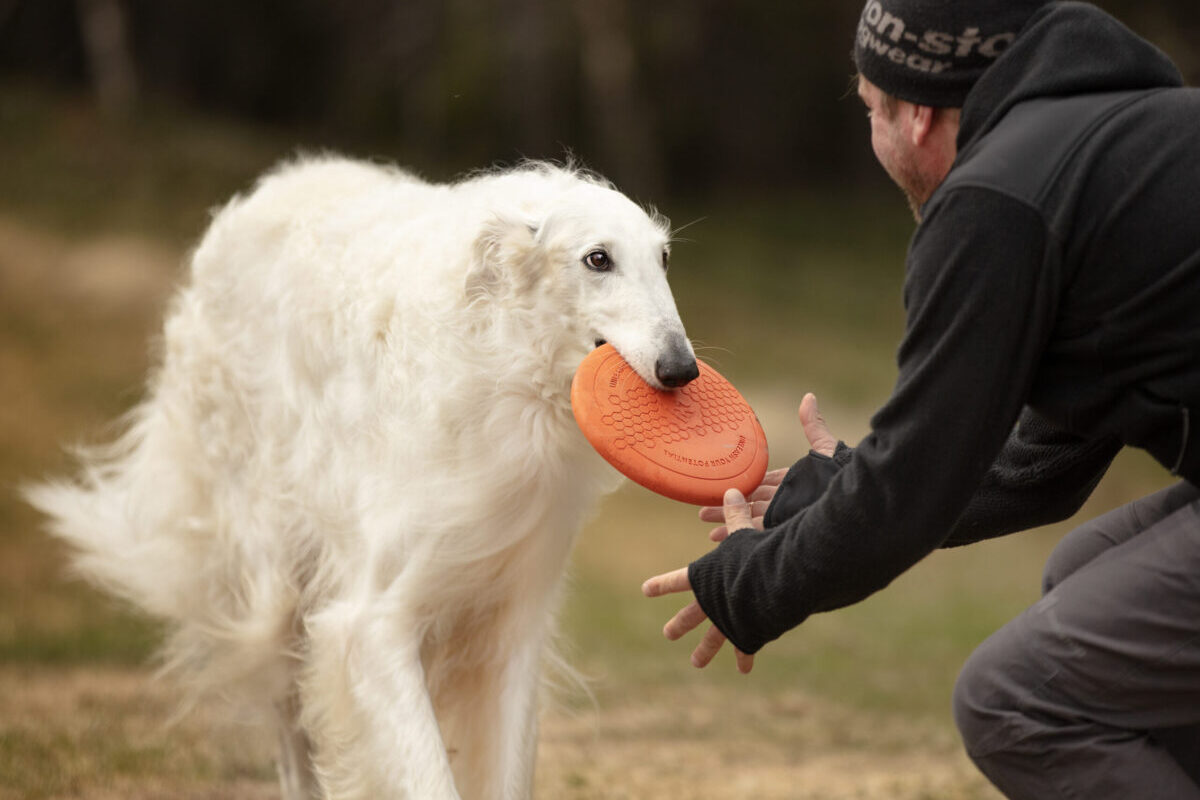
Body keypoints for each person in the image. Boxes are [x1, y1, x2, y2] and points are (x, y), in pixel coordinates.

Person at [641, 1, 1200, 797]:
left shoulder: (997, 201)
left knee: (1014, 700)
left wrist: (750, 581)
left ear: (922, 117)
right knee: (1084, 574)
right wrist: (830, 489)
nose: (873, 136)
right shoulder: (1109, 145)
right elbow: (1044, 461)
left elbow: (911, 488)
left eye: (872, 111)